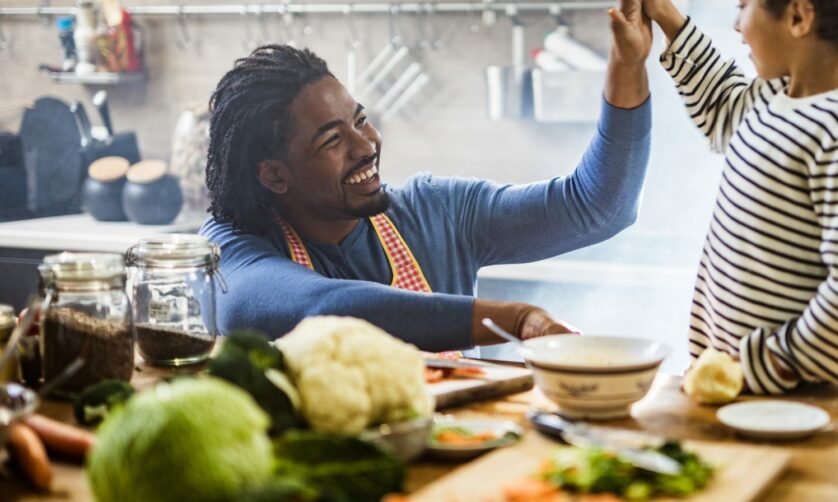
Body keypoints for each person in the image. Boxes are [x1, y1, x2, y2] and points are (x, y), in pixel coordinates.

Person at [199, 0, 654, 352]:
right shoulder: (229, 249)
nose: (365, 146)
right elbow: (322, 307)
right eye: (331, 141)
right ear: (274, 175)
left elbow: (599, 207)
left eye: (360, 121)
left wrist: (627, 67)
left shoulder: (437, 213)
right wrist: (515, 320)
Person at [642, 0, 838, 392]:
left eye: (744, 6)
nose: (736, 25)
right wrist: (665, 15)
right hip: (738, 394)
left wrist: (765, 367)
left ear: (799, 17)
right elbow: (720, 103)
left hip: (798, 408)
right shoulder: (771, 99)